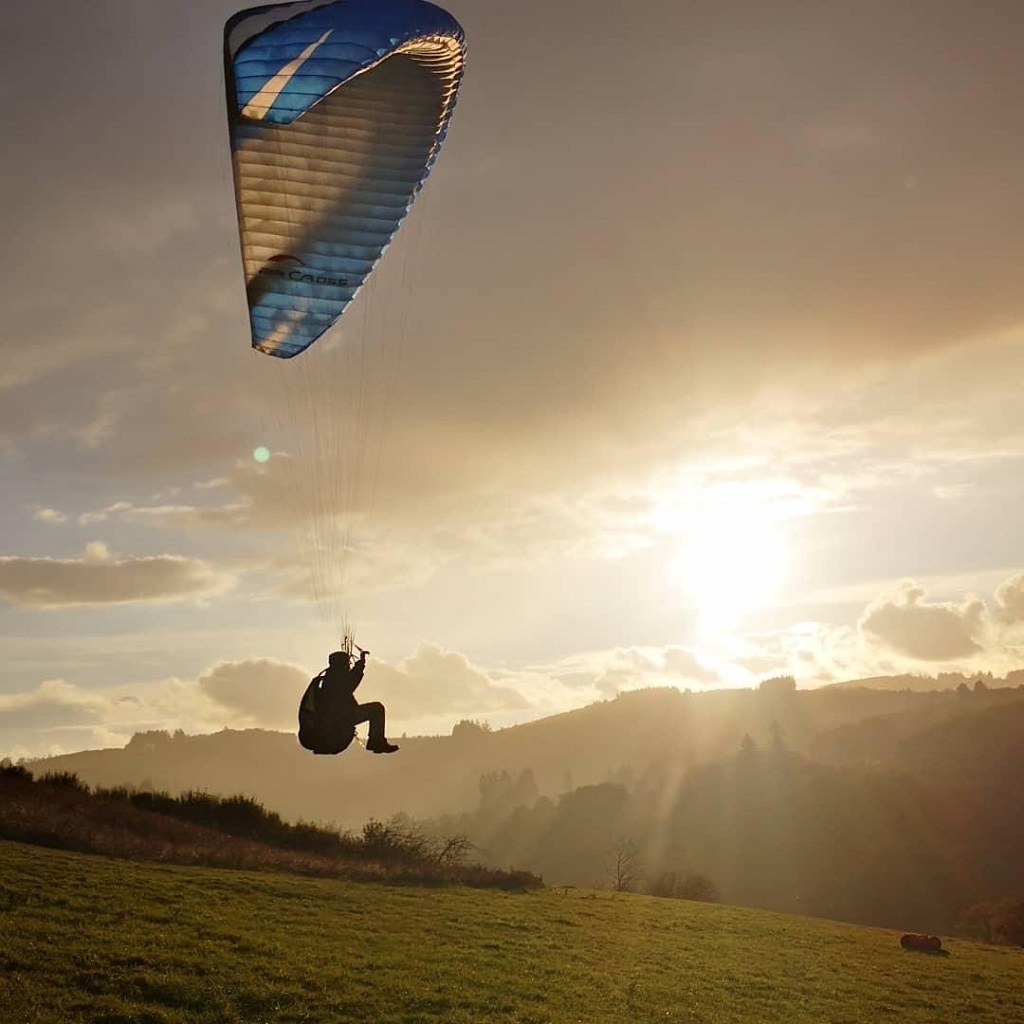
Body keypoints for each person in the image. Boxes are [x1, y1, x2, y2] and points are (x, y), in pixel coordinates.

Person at [298, 646, 399, 755]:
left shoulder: (328, 678)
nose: (348, 667)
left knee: (375, 709)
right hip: (341, 719)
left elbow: (349, 682)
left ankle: (376, 742)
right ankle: (376, 742)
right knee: (376, 709)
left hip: (338, 720)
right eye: (348, 664)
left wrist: (360, 664)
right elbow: (351, 683)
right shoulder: (336, 678)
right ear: (342, 665)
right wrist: (360, 664)